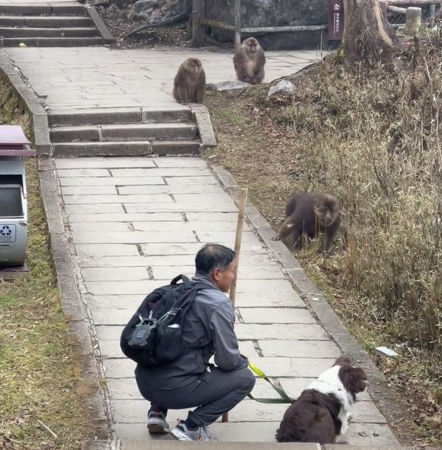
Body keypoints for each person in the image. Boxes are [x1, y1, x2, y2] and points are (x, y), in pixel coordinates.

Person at [134, 243, 256, 442]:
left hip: (145, 382)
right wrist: (241, 361)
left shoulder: (173, 291)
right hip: (174, 390)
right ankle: (191, 427)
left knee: (170, 348)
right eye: (232, 270)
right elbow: (227, 361)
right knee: (244, 379)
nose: (234, 277)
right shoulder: (218, 304)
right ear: (217, 273)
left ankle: (156, 411)